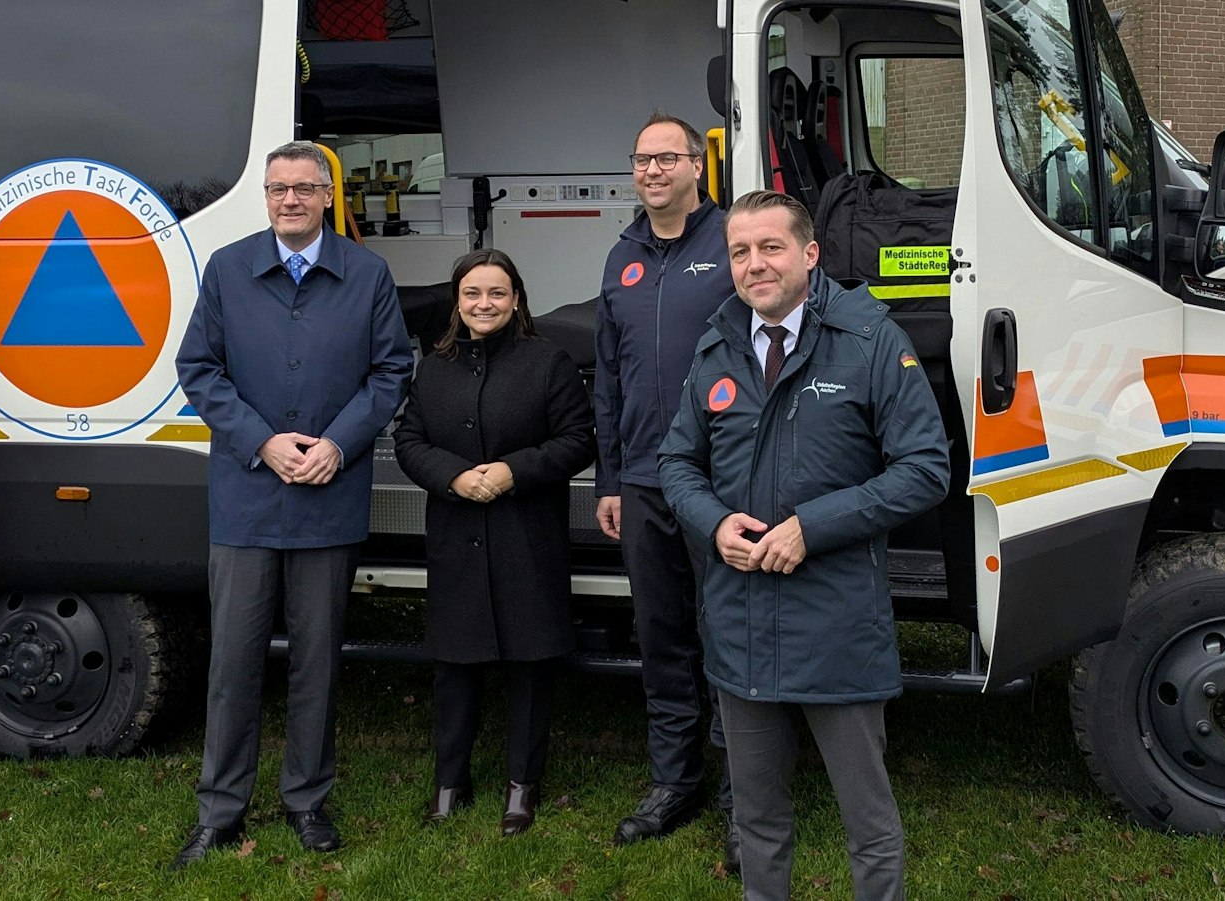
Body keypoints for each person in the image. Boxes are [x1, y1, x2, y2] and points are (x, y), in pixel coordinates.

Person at [659, 190, 950, 901]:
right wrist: (713, 521)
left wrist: (811, 528)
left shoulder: (870, 340)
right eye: (739, 251)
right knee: (757, 820)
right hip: (740, 624)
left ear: (810, 254)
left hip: (837, 622)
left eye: (771, 247)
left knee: (869, 823)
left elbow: (925, 468)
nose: (755, 264)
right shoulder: (718, 343)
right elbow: (676, 462)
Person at [170, 142, 412, 869]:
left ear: (328, 196)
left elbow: (392, 368)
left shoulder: (367, 274)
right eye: (278, 188)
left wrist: (338, 444)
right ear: (267, 196)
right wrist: (262, 442)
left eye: (304, 188)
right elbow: (198, 369)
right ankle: (220, 809)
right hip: (247, 498)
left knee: (317, 660)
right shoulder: (229, 270)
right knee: (233, 661)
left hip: (329, 498)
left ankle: (307, 799)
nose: (290, 200)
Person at [392, 250, 595, 837]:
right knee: (455, 664)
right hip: (457, 531)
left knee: (531, 664)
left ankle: (521, 787)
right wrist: (452, 477)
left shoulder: (547, 362)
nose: (485, 304)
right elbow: (409, 439)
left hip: (526, 533)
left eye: (497, 294)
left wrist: (513, 471)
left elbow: (579, 439)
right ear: (457, 301)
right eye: (473, 293)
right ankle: (450, 781)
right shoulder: (433, 367)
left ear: (516, 300)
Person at [592, 113, 739, 858]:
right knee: (663, 638)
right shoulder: (622, 255)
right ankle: (674, 780)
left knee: (732, 636)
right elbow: (609, 380)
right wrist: (610, 479)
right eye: (642, 159)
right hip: (644, 485)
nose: (652, 171)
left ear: (695, 164)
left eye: (666, 158)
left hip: (720, 484)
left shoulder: (731, 242)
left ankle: (747, 795)